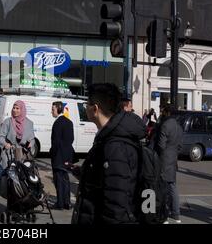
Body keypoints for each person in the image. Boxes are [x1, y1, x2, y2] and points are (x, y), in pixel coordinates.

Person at [72, 83, 146, 224]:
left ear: (95, 109)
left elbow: (116, 205)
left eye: (86, 104)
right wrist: (84, 172)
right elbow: (108, 179)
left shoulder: (115, 146)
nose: (85, 107)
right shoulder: (107, 138)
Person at [150, 105, 183, 224]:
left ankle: (163, 215)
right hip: (173, 160)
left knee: (162, 188)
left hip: (163, 160)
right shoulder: (179, 127)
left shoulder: (165, 125)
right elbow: (180, 146)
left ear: (168, 112)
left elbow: (160, 145)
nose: (162, 112)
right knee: (173, 187)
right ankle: (176, 214)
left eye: (163, 111)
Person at [49, 101, 75, 210]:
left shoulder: (57, 123)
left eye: (53, 109)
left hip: (58, 156)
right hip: (67, 155)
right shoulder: (69, 122)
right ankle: (67, 202)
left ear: (59, 109)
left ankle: (60, 203)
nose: (51, 111)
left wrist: (52, 152)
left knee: (59, 180)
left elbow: (55, 142)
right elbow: (71, 139)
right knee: (65, 179)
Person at [0, 100, 34, 167]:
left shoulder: (29, 123)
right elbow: (0, 137)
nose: (14, 110)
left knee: (21, 174)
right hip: (9, 154)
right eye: (14, 108)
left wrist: (30, 144)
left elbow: (32, 139)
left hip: (23, 155)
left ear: (22, 109)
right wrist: (5, 144)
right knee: (9, 174)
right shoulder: (8, 121)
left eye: (17, 108)